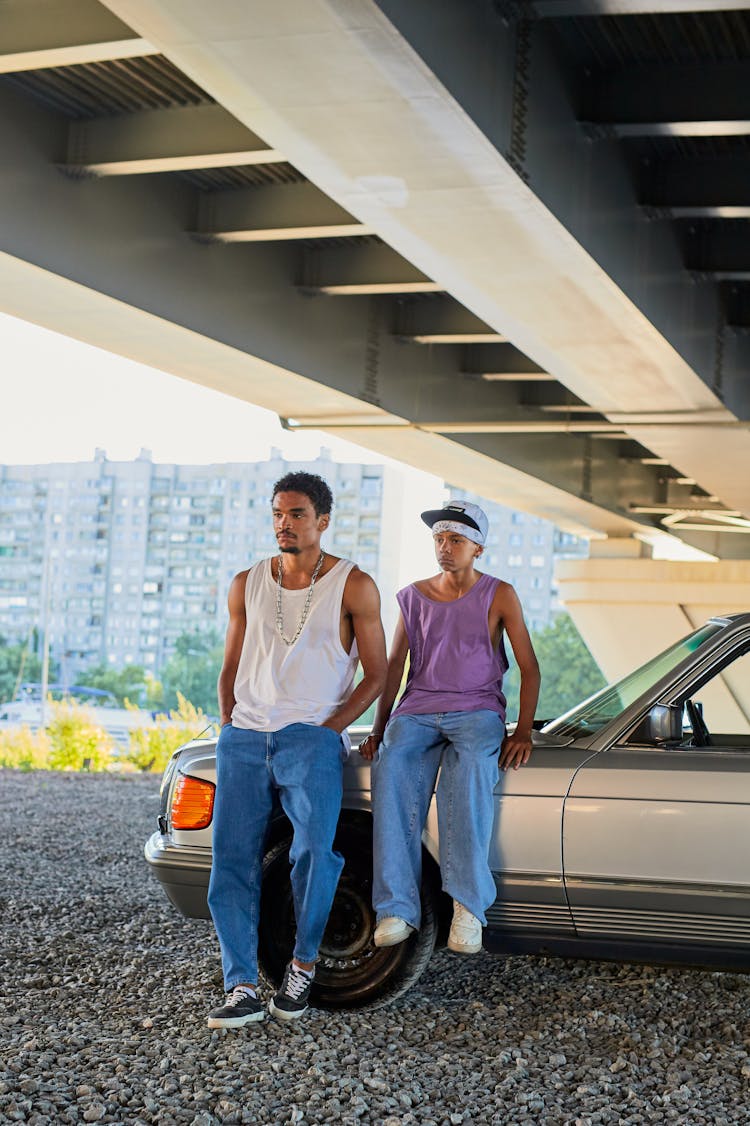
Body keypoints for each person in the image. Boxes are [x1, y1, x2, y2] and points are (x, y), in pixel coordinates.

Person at [206, 471, 387, 1028]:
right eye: (278, 514)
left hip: (310, 740)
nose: (285, 524)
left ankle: (303, 965)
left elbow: (377, 674)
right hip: (243, 739)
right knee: (230, 864)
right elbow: (231, 661)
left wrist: (327, 728)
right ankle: (240, 986)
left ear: (323, 521)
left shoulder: (354, 585)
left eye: (297, 514)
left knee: (314, 854)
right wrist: (229, 719)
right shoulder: (246, 582)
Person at [360, 500, 540, 956]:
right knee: (392, 774)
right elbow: (395, 665)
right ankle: (396, 909)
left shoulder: (500, 594)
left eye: (455, 540)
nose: (444, 547)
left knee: (469, 784)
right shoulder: (413, 596)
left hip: (478, 710)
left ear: (478, 547)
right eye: (439, 539)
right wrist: (380, 729)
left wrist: (522, 731)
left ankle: (468, 909)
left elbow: (529, 667)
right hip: (416, 709)